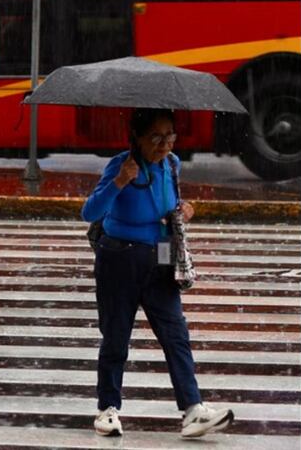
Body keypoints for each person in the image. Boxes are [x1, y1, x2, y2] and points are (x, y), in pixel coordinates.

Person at [82, 108, 233, 439]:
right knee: (116, 336)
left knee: (175, 333)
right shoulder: (120, 165)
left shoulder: (172, 165)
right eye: (156, 137)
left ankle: (193, 409)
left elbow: (169, 207)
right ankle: (107, 409)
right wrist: (120, 181)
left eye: (170, 136)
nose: (165, 145)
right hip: (119, 258)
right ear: (136, 137)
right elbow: (90, 211)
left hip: (161, 255)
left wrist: (182, 211)